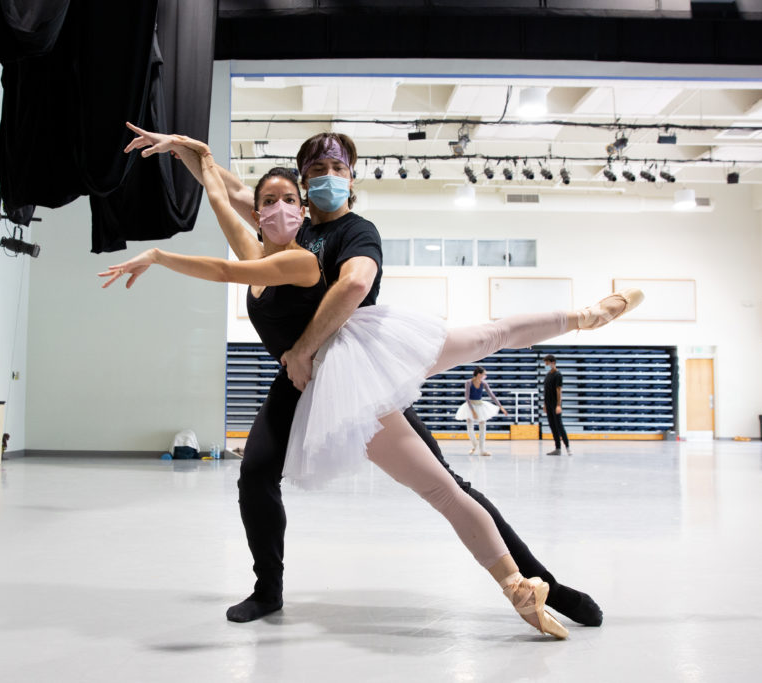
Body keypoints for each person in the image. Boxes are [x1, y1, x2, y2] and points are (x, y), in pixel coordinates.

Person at [111, 129, 642, 633]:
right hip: (299, 376)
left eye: (336, 168)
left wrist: (301, 347)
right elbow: (226, 190)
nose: (322, 178)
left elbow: (355, 284)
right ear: (296, 186)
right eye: (314, 169)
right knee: (255, 475)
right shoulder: (291, 227)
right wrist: (184, 149)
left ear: (350, 176)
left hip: (356, 365)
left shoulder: (351, 232)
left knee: (454, 462)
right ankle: (267, 590)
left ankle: (545, 584)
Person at [454, 367, 508, 456]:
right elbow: (467, 398)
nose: (485, 376)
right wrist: (473, 411)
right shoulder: (468, 383)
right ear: (479, 374)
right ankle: (475, 445)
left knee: (482, 427)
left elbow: (492, 395)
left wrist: (501, 406)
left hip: (480, 405)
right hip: (470, 405)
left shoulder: (484, 383)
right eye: (484, 374)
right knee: (470, 427)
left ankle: (482, 450)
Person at [543, 355, 570, 456]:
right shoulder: (547, 375)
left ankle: (567, 446)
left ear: (553, 362)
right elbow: (546, 391)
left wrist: (558, 405)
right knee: (552, 426)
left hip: (555, 404)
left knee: (559, 425)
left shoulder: (558, 375)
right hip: (548, 404)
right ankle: (557, 448)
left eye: (547, 363)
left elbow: (559, 391)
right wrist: (545, 404)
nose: (546, 365)